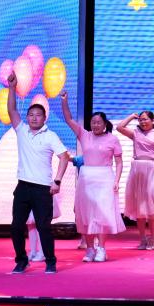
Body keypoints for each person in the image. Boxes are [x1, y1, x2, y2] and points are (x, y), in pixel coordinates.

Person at [5, 71, 68, 274]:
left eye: (37, 115)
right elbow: (12, 109)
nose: (33, 118)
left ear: (44, 117)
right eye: (31, 115)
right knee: (16, 226)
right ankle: (22, 261)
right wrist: (12, 87)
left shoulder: (51, 136)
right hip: (23, 186)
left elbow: (64, 157)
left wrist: (57, 181)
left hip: (42, 189)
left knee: (43, 227)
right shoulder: (22, 130)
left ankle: (50, 261)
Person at [61, 92, 124, 263]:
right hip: (87, 178)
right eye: (93, 122)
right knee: (86, 214)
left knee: (102, 214)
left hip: (105, 178)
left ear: (104, 124)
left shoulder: (112, 139)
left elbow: (119, 163)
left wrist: (117, 181)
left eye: (98, 122)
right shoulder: (84, 134)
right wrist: (64, 101)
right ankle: (89, 249)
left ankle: (101, 248)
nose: (95, 125)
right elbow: (68, 119)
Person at [117, 110, 154, 250]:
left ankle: (153, 238)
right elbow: (119, 127)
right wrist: (131, 116)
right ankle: (142, 239)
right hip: (138, 170)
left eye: (145, 119)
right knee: (139, 207)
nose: (143, 122)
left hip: (152, 169)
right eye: (140, 120)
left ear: (152, 120)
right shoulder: (135, 133)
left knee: (152, 205)